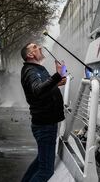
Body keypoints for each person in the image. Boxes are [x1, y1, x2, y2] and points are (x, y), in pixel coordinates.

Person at [20, 43, 67, 182]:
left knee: (41, 162)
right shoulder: (31, 71)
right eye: (35, 47)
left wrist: (56, 82)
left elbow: (41, 90)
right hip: (45, 125)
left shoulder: (36, 69)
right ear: (30, 55)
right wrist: (57, 75)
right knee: (46, 171)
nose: (39, 47)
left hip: (46, 123)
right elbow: (37, 90)